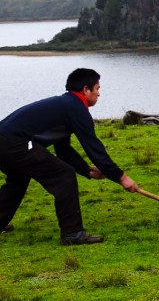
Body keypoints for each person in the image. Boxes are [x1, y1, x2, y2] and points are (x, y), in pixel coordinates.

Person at [0, 68, 139, 245]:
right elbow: (94, 148)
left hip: (5, 142)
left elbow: (63, 149)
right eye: (97, 89)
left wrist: (87, 171)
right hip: (16, 143)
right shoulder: (76, 108)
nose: (99, 94)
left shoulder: (67, 105)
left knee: (17, 179)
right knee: (63, 175)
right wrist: (121, 177)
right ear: (85, 90)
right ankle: (72, 233)